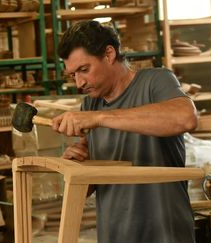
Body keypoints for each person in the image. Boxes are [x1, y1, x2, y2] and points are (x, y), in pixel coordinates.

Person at [51, 20, 198, 243]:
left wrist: (99, 118)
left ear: (109, 54)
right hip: (115, 234)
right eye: (73, 75)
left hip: (164, 233)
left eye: (84, 69)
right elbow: (91, 187)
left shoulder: (155, 81)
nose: (79, 83)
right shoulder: (91, 104)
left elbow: (186, 118)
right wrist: (78, 167)